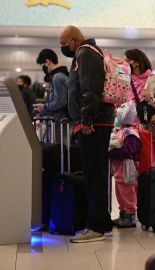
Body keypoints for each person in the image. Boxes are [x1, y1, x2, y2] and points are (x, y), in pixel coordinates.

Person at [59, 25, 115, 243]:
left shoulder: (85, 53)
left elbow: (90, 89)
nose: (62, 48)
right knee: (96, 172)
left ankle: (96, 226)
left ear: (74, 40)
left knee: (94, 175)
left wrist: (86, 120)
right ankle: (103, 221)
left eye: (64, 44)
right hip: (95, 122)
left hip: (94, 124)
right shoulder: (87, 53)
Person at [124, 48, 155, 166]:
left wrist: (151, 100)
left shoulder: (154, 81)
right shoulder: (124, 80)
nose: (125, 62)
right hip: (127, 132)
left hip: (148, 131)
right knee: (129, 169)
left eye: (128, 60)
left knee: (148, 165)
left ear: (136, 63)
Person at [109, 101, 141, 228]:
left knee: (128, 193)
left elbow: (129, 150)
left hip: (127, 168)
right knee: (120, 192)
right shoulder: (121, 131)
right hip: (119, 169)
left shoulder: (130, 133)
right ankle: (123, 214)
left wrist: (112, 153)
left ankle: (130, 215)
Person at [33, 48, 70, 122]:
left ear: (47, 62)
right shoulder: (63, 75)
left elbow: (60, 101)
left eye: (42, 65)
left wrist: (44, 107)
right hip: (61, 120)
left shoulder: (57, 77)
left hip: (59, 123)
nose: (43, 68)